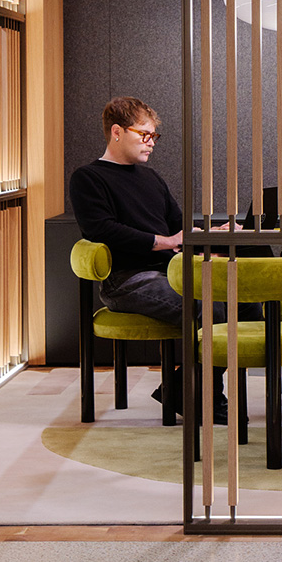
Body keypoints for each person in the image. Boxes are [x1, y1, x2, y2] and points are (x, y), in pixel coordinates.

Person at [69, 96, 227, 421]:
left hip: (169, 272)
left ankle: (181, 389)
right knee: (212, 308)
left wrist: (214, 232)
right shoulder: (88, 178)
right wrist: (166, 242)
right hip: (128, 280)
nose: (151, 143)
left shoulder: (151, 178)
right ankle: (203, 399)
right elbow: (102, 230)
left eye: (154, 136)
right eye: (144, 134)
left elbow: (177, 226)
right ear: (116, 131)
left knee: (243, 302)